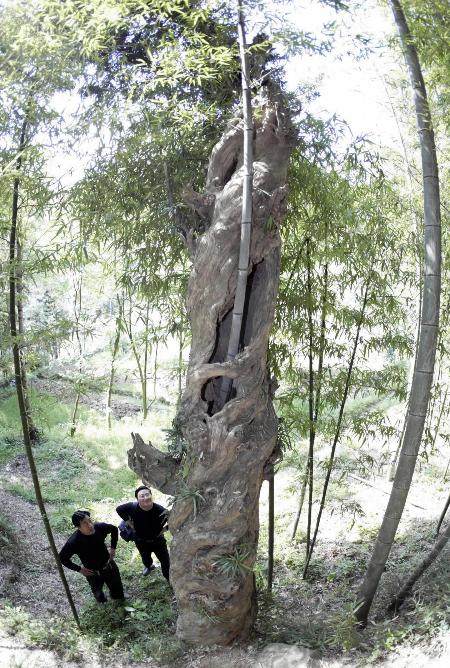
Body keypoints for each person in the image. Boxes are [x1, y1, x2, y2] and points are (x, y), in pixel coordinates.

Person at [59, 510, 124, 603]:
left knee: (117, 589)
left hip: (108, 565)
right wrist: (79, 569)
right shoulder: (74, 541)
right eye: (85, 523)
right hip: (92, 572)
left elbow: (114, 529)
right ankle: (102, 603)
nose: (90, 525)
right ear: (78, 527)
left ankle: (118, 600)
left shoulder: (99, 527)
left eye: (90, 520)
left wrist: (113, 548)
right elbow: (62, 558)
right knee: (98, 592)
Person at [116, 486, 170, 582]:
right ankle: (149, 566)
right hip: (141, 540)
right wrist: (128, 522)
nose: (145, 498)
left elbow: (174, 520)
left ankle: (169, 578)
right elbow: (119, 509)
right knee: (145, 558)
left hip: (158, 541)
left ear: (151, 496)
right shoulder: (132, 507)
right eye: (142, 496)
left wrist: (164, 530)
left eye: (147, 494)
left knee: (165, 561)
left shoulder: (160, 510)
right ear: (137, 499)